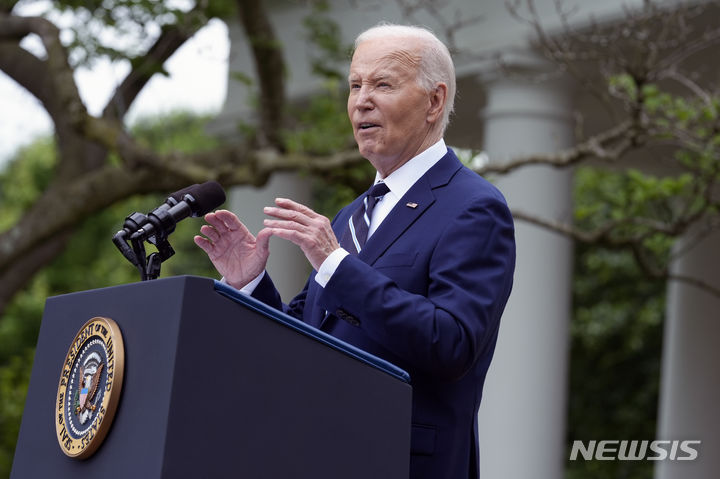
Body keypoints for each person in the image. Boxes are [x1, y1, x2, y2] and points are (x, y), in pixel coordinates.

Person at [194, 23, 516, 479]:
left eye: (382, 84)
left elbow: (451, 343)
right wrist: (250, 282)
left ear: (434, 101)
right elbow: (306, 336)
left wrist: (336, 264)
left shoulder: (474, 208)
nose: (361, 100)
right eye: (355, 85)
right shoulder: (349, 218)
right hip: (318, 455)